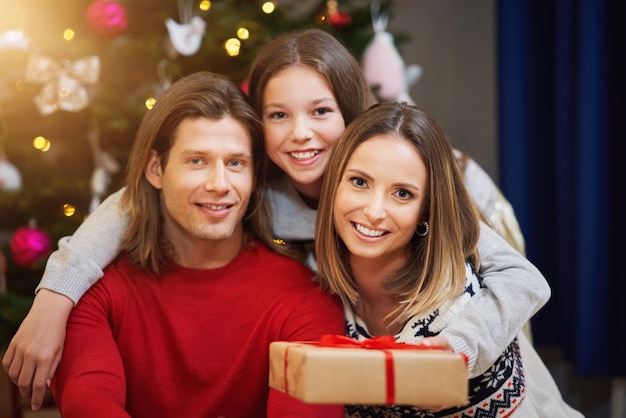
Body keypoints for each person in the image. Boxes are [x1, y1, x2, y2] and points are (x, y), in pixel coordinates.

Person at [3, 29, 548, 412]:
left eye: (321, 112)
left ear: (352, 112)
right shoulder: (255, 187)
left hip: (480, 351)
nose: (300, 134)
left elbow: (518, 280)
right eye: (277, 115)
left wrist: (458, 347)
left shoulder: (422, 171)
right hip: (375, 353)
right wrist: (57, 295)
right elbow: (132, 205)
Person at [46, 71, 346, 417]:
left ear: (254, 175)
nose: (219, 184)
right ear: (156, 169)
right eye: (196, 161)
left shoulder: (305, 298)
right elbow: (89, 402)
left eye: (235, 163)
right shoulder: (95, 293)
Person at [315, 101, 582, 417]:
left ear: (427, 209)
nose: (374, 212)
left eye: (403, 194)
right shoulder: (322, 296)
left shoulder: (457, 287)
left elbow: (526, 280)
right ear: (334, 184)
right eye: (360, 182)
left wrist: (460, 348)